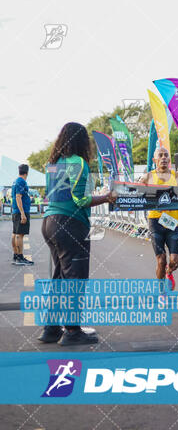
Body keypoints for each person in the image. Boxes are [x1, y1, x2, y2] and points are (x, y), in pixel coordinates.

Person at [40, 122, 117, 346]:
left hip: (49, 222)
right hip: (70, 224)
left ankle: (51, 328)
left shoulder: (52, 164)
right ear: (82, 141)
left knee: (60, 279)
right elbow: (81, 200)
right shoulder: (79, 163)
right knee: (75, 279)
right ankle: (72, 331)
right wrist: (106, 197)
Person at [140, 147, 178, 290]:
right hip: (155, 221)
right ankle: (161, 290)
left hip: (172, 222)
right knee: (161, 260)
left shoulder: (177, 176)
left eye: (166, 155)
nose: (164, 157)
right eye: (160, 155)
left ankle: (169, 272)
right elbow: (136, 193)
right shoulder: (147, 177)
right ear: (155, 160)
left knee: (174, 261)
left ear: (170, 159)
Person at [11, 164, 34, 266]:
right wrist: (23, 214)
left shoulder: (15, 181)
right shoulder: (21, 181)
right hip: (21, 211)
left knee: (15, 233)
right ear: (27, 172)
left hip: (15, 211)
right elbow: (18, 197)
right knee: (20, 235)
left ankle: (16, 255)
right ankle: (20, 257)